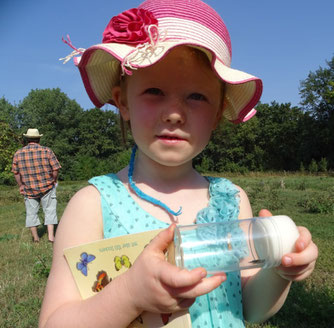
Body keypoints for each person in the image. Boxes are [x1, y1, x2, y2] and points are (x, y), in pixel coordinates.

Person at [39, 1, 318, 327]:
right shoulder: (93, 205)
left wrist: (279, 270)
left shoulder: (231, 200)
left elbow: (250, 308)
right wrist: (129, 294)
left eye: (196, 96)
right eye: (154, 91)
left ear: (217, 113)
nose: (174, 112)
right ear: (122, 102)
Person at [12, 128, 61, 243]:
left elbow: (16, 172)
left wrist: (21, 185)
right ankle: (51, 237)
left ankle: (36, 238)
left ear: (27, 139)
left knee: (31, 213)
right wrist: (54, 180)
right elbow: (55, 168)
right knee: (50, 210)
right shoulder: (47, 151)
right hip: (47, 187)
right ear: (39, 138)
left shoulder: (18, 153)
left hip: (29, 189)